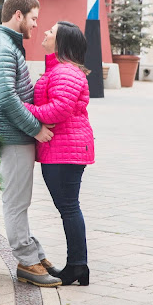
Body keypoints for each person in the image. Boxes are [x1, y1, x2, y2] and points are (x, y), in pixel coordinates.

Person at [0, 0, 61, 287]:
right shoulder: (1, 48)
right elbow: (6, 99)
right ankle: (26, 261)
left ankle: (32, 252)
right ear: (19, 15)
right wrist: (36, 129)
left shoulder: (5, 44)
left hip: (14, 134)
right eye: (34, 18)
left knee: (19, 200)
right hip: (13, 136)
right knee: (16, 201)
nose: (37, 25)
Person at [24, 21, 95, 286]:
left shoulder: (65, 71)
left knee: (68, 208)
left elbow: (58, 110)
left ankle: (78, 265)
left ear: (61, 41)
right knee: (69, 208)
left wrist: (23, 110)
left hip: (65, 150)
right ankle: (78, 265)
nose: (44, 32)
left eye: (51, 32)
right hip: (64, 149)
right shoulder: (61, 69)